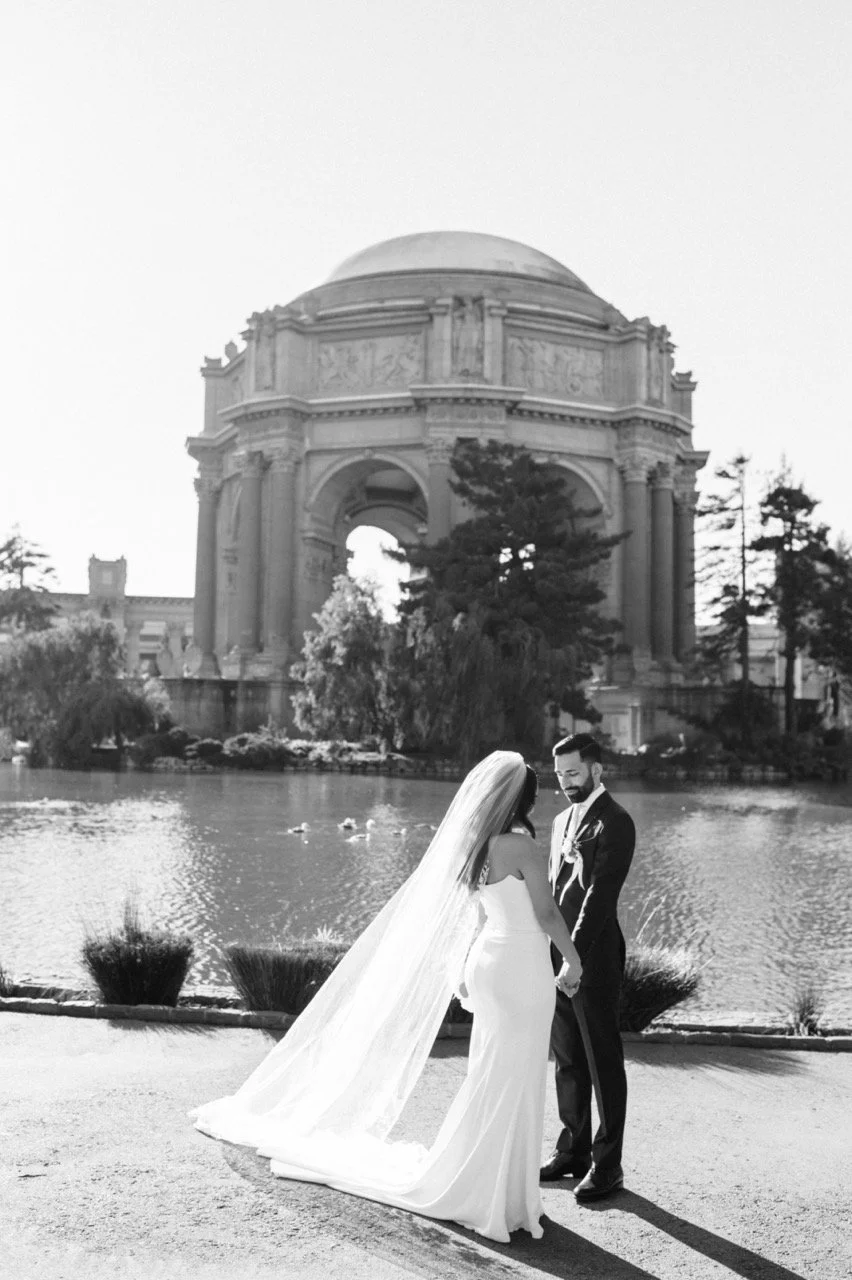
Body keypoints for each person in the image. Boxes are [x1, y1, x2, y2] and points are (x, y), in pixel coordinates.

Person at [191, 752, 581, 1243]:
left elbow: (482, 916)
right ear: (524, 798)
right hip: (520, 968)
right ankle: (494, 1191)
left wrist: (462, 967)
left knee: (493, 1073)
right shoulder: (521, 846)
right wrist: (573, 958)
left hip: (491, 963)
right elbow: (546, 914)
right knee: (514, 1076)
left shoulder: (477, 846)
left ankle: (496, 1185)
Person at [539, 733, 635, 1201]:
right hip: (559, 956)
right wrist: (552, 953)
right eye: (559, 776)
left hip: (593, 958)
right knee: (568, 1059)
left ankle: (608, 1165)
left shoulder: (616, 822)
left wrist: (574, 958)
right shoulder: (560, 822)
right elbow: (555, 891)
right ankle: (573, 1151)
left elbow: (599, 898)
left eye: (573, 774)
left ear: (596, 770)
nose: (565, 783)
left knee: (602, 1062)